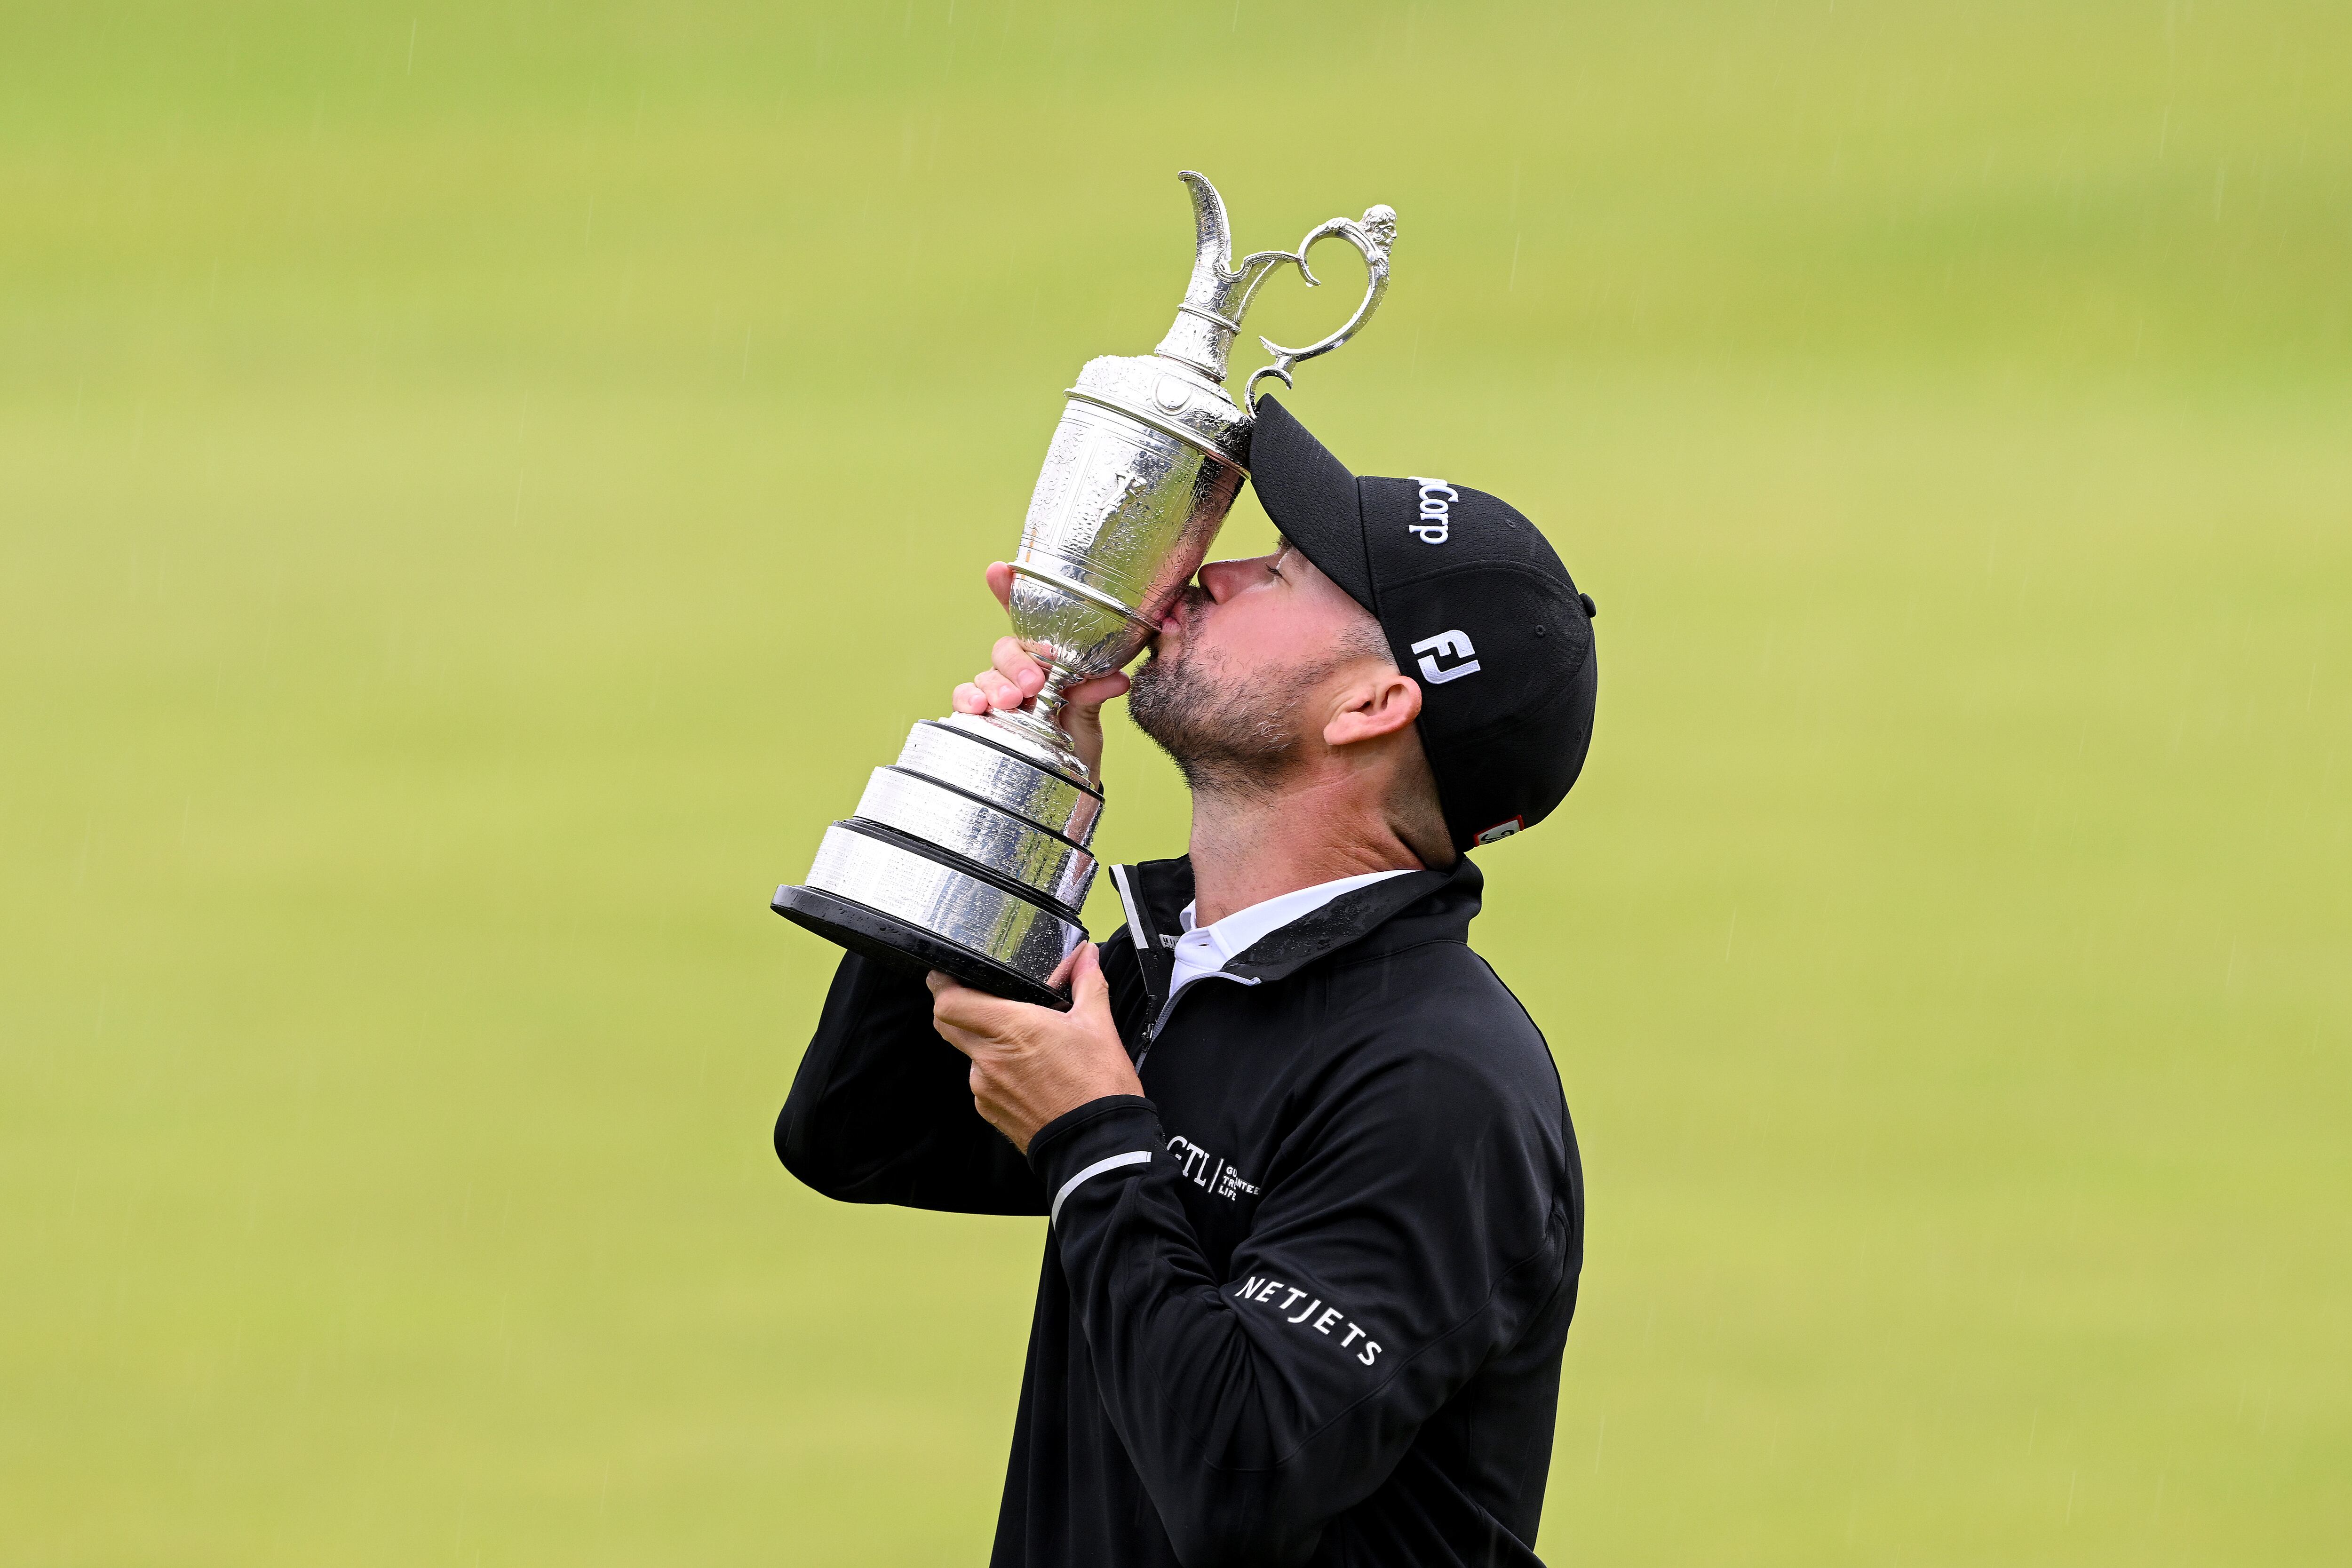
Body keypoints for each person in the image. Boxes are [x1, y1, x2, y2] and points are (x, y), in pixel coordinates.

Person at [776, 397, 1601, 1567]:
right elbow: (857, 1132)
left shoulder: (1440, 1084)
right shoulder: (1181, 967)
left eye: (1289, 570)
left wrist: (1094, 1136)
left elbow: (1239, 1473)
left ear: (1371, 706)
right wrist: (1012, 817)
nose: (1213, 572)